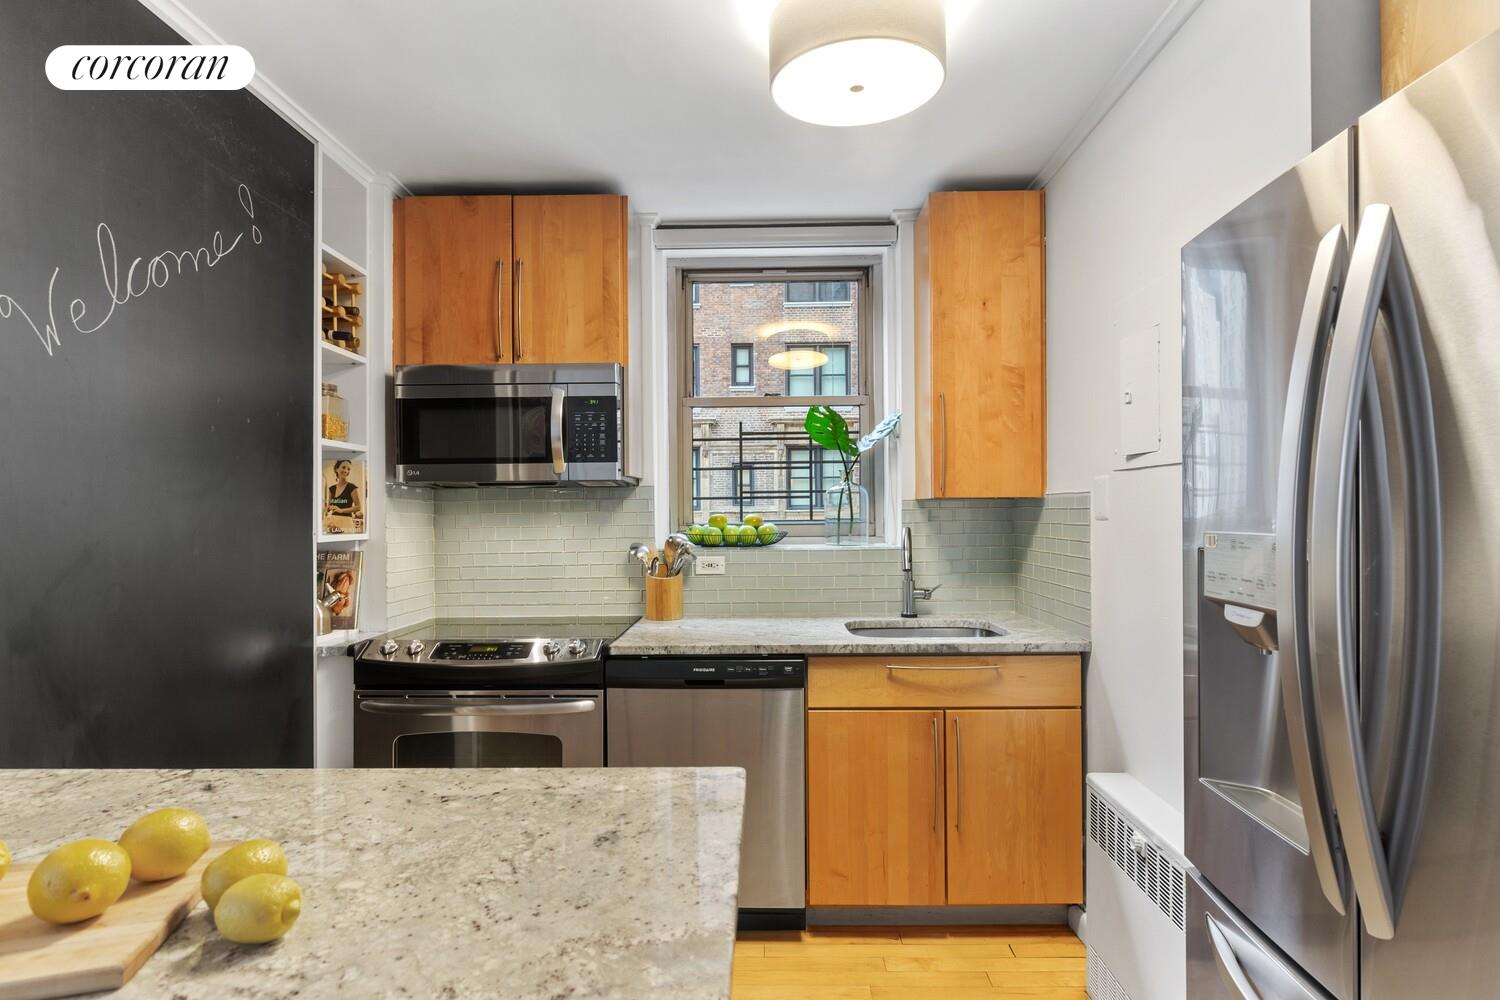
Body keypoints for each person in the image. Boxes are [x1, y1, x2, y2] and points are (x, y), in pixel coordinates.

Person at [324, 459, 363, 532]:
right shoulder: (331, 489)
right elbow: (329, 506)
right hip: (332, 522)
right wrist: (329, 507)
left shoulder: (352, 487)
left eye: (348, 469)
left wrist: (341, 510)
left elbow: (358, 507)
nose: (346, 471)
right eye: (343, 467)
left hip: (346, 522)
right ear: (336, 469)